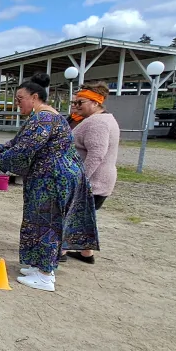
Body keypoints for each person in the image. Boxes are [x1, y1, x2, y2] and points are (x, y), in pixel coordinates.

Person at [0, 74, 98, 292]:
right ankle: (38, 266)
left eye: (20, 98)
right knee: (38, 222)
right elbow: (19, 143)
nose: (17, 103)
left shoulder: (44, 119)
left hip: (54, 180)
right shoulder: (43, 117)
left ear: (34, 97)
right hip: (48, 179)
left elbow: (25, 149)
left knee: (48, 224)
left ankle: (45, 276)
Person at [66, 82, 120, 264]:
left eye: (80, 102)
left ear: (96, 103)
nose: (75, 106)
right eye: (74, 102)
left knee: (69, 215)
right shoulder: (98, 120)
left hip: (93, 182)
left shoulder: (98, 122)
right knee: (84, 216)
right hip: (96, 181)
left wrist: (80, 180)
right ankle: (86, 253)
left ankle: (60, 252)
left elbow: (96, 154)